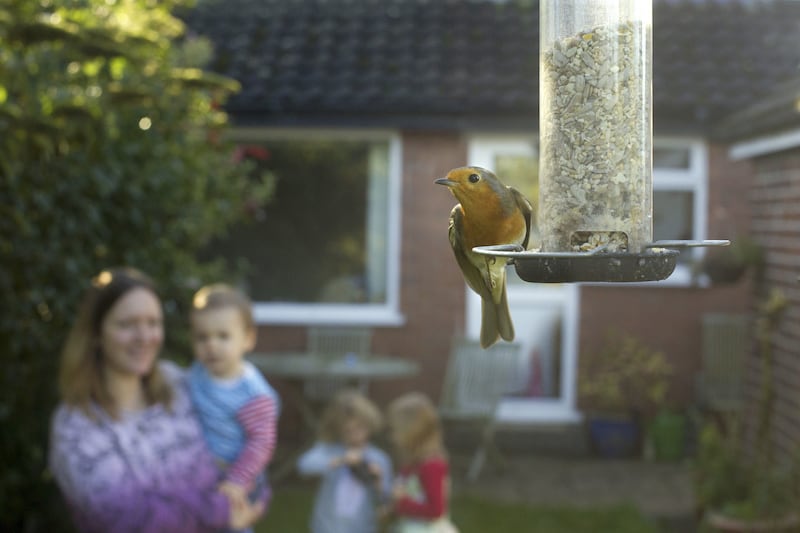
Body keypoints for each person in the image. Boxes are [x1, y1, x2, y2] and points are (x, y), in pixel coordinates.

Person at [49, 267, 264, 533]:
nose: (144, 337)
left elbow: (240, 442)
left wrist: (250, 486)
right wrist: (222, 508)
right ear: (96, 333)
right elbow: (125, 519)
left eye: (153, 323)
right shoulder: (77, 426)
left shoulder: (180, 385)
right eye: (127, 325)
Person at [187, 283, 280, 533]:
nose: (211, 345)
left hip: (238, 475)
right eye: (202, 337)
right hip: (206, 475)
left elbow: (262, 442)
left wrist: (237, 481)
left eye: (223, 336)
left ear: (248, 339)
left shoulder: (251, 392)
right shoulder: (197, 374)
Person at [297, 388, 393, 533]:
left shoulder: (379, 458)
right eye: (348, 431)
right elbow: (304, 465)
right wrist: (340, 460)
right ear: (339, 430)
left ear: (369, 425)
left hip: (361, 527)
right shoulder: (331, 449)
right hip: (326, 525)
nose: (355, 435)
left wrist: (378, 480)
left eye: (360, 428)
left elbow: (385, 499)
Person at [385, 392, 458, 533]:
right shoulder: (412, 464)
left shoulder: (432, 466)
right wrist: (393, 508)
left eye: (395, 430)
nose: (391, 436)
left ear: (413, 432)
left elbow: (436, 510)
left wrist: (402, 503)